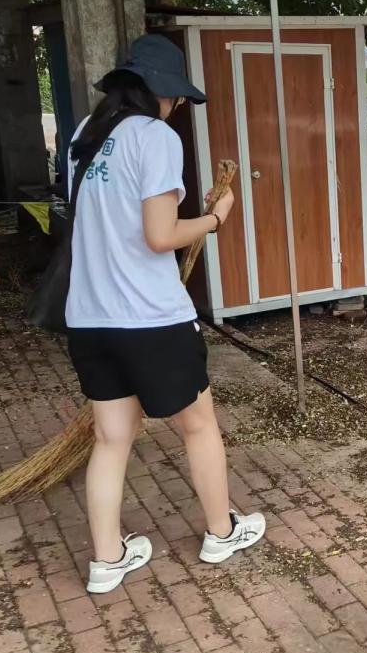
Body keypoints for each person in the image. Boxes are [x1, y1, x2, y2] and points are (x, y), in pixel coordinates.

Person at [65, 34, 266, 594]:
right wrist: (216, 218)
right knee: (199, 426)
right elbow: (160, 236)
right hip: (150, 318)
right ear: (163, 92)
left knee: (111, 439)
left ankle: (108, 560)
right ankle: (221, 532)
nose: (177, 106)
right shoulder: (154, 137)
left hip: (89, 317)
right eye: (177, 97)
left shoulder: (86, 134)